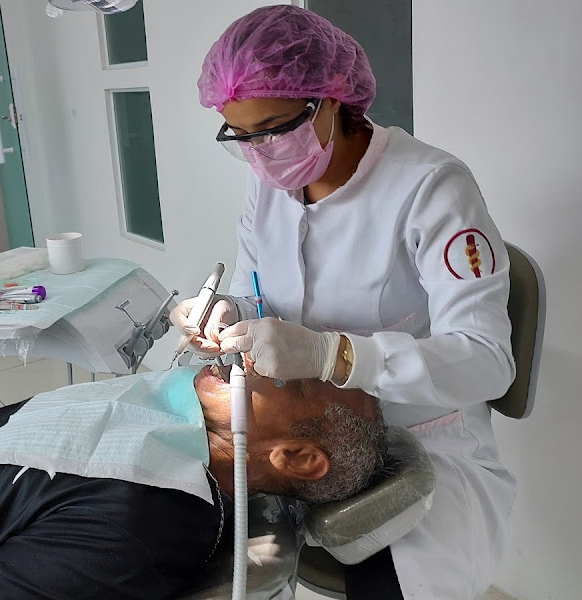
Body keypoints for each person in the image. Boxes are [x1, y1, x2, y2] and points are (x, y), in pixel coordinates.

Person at [171, 5, 516, 600]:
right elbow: (259, 294)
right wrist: (228, 312)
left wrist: (337, 357)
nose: (260, 153)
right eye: (241, 136)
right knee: (180, 532)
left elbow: (487, 361)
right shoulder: (269, 186)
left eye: (273, 128)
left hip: (418, 435)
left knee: (394, 581)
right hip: (299, 433)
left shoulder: (430, 187)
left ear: (330, 99)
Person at [0, 363, 385, 600]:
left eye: (288, 376)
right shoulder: (160, 416)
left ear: (297, 458)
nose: (255, 355)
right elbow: (6, 431)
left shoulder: (130, 531)